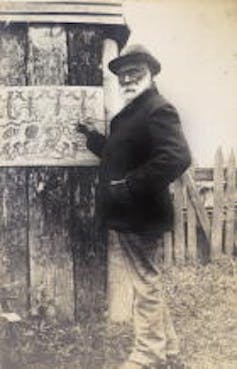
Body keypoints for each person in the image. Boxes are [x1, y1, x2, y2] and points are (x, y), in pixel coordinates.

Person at [77, 44, 192, 369]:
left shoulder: (157, 109)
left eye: (135, 73)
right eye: (123, 75)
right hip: (129, 212)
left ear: (151, 74)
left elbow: (177, 157)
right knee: (147, 279)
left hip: (142, 213)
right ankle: (168, 351)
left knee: (145, 284)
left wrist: (129, 187)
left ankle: (148, 355)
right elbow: (122, 155)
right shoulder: (131, 114)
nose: (127, 80)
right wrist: (93, 139)